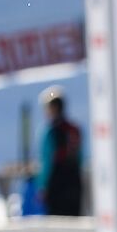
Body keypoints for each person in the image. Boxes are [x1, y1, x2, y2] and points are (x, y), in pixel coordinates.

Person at [37, 86, 83, 217]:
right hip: (75, 183)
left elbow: (46, 162)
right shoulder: (75, 129)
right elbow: (79, 158)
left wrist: (42, 187)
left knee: (57, 225)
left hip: (56, 185)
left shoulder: (49, 131)